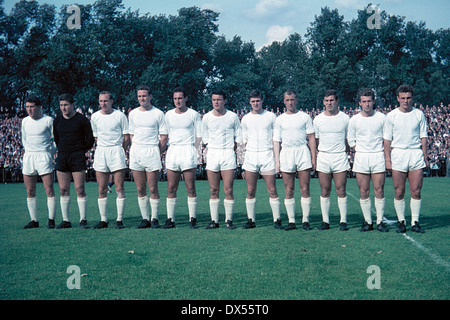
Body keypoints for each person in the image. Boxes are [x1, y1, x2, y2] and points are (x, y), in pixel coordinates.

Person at [383, 84, 428, 233]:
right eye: (402, 98)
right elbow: (387, 140)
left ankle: (415, 222)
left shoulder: (419, 114)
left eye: (408, 98)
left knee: (416, 190)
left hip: (415, 153)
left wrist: (425, 157)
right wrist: (388, 160)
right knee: (399, 191)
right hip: (399, 154)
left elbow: (423, 137)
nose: (406, 101)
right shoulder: (391, 116)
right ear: (398, 99)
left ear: (412, 98)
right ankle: (401, 221)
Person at [273, 90, 316, 231]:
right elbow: (276, 141)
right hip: (286, 152)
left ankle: (305, 220)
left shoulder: (305, 117)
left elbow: (311, 138)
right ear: (284, 101)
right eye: (287, 100)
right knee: (289, 189)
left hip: (302, 151)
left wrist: (313, 157)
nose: (290, 102)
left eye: (292, 99)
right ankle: (291, 221)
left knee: (304, 188)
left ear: (296, 100)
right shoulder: (279, 119)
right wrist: (277, 161)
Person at [347, 88, 388, 232]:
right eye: (364, 101)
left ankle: (379, 222)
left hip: (378, 156)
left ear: (373, 101)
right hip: (361, 157)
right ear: (359, 103)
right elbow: (350, 139)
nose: (367, 104)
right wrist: (359, 149)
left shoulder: (382, 118)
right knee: (363, 191)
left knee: (379, 190)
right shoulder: (354, 120)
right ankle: (367, 222)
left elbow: (386, 137)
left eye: (369, 101)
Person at [128, 85, 168, 229]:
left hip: (152, 152)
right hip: (136, 152)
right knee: (140, 188)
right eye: (139, 96)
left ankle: (155, 218)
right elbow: (131, 134)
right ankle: (145, 218)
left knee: (153, 188)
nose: (142, 99)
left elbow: (163, 137)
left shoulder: (158, 113)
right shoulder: (132, 114)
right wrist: (137, 147)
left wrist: (156, 151)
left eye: (144, 96)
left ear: (150, 96)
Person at [241, 89, 281, 229]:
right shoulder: (245, 119)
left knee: (272, 190)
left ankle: (277, 220)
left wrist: (277, 160)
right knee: (250, 191)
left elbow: (276, 139)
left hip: (267, 155)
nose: (255, 104)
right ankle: (251, 220)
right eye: (253, 101)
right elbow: (244, 141)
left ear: (262, 101)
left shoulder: (271, 116)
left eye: (258, 101)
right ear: (250, 102)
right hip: (251, 156)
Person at [202, 90, 242, 229]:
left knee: (228, 189)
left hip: (227, 154)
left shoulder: (232, 116)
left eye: (219, 99)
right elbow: (204, 136)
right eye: (214, 100)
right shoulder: (207, 117)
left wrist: (231, 148)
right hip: (213, 154)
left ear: (225, 100)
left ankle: (229, 220)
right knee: (213, 190)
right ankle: (214, 221)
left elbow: (238, 136)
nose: (216, 102)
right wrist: (210, 146)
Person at [53, 93, 95, 229]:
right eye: (61, 105)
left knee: (80, 188)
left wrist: (79, 149)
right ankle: (66, 220)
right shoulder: (57, 119)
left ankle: (83, 219)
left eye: (66, 105)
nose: (63, 108)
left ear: (72, 105)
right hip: (62, 156)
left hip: (77, 156)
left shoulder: (82, 120)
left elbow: (90, 140)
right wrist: (63, 149)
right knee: (63, 189)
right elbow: (56, 137)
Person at [163, 86, 202, 229]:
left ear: (185, 98)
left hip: (188, 151)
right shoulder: (168, 115)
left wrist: (193, 149)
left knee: (190, 187)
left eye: (180, 98)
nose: (177, 101)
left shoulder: (193, 114)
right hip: (173, 151)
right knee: (171, 187)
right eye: (175, 99)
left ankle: (193, 219)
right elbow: (165, 134)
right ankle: (170, 220)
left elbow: (199, 135)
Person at [90, 91, 130, 229]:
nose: (103, 104)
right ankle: (103, 220)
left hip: (116, 151)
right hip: (101, 152)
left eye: (106, 101)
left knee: (119, 187)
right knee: (102, 188)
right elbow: (95, 136)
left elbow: (126, 137)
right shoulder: (94, 117)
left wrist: (120, 150)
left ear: (112, 101)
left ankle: (119, 220)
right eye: (101, 101)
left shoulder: (120, 116)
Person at [313, 89, 350, 231]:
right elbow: (315, 140)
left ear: (337, 101)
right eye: (327, 101)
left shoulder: (345, 118)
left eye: (332, 100)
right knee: (325, 189)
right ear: (323, 102)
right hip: (323, 156)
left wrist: (342, 150)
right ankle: (325, 221)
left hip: (339, 156)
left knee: (341, 189)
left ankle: (343, 221)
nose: (329, 103)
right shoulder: (318, 119)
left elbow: (348, 139)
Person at [21, 95, 57, 229]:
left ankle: (51, 219)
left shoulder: (48, 120)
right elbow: (24, 139)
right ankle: (34, 220)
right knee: (30, 190)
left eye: (32, 107)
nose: (29, 110)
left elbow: (55, 140)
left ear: (39, 107)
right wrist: (28, 152)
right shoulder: (24, 121)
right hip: (29, 156)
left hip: (43, 156)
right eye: (27, 107)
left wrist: (49, 153)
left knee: (49, 189)